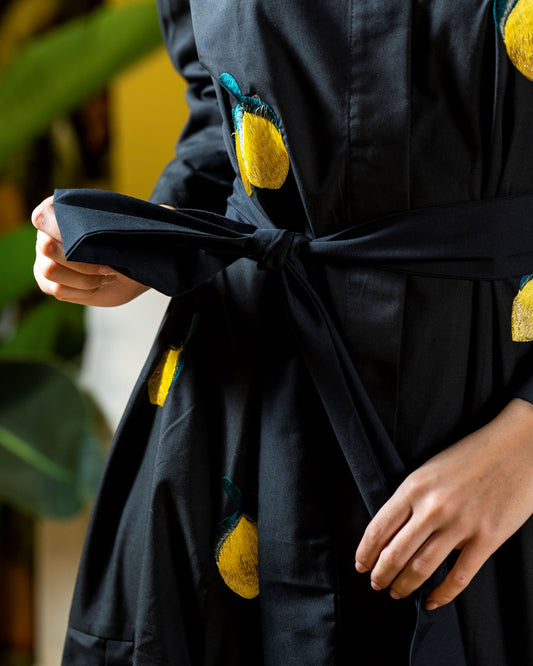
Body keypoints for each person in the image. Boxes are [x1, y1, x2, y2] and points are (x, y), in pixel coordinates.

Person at [32, 1, 533, 663]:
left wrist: (524, 448)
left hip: (495, 435)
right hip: (245, 420)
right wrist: (159, 234)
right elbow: (221, 106)